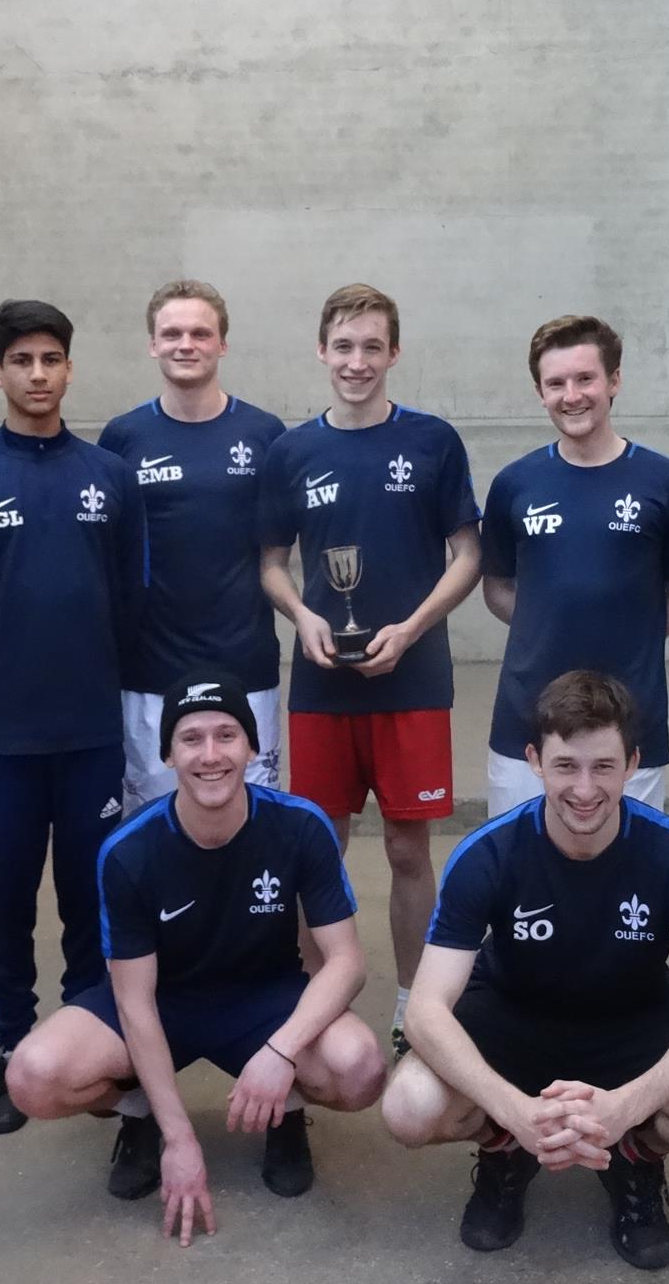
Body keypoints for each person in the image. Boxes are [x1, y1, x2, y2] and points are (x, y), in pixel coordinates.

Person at [380, 670, 669, 1271]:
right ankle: (507, 1151)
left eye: (603, 766)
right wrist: (515, 1113)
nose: (584, 789)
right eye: (565, 766)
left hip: (631, 1021)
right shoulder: (486, 853)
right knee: (407, 1106)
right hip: (511, 1018)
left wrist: (625, 1109)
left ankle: (634, 1156)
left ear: (633, 763)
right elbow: (426, 1009)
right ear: (534, 760)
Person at [4, 672, 386, 1243]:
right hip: (165, 1002)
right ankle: (142, 1117)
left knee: (361, 1069)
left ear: (252, 748)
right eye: (191, 739)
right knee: (33, 1077)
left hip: (266, 1001)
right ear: (166, 754)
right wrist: (180, 1137)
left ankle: (281, 1112)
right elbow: (134, 1002)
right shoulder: (128, 851)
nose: (211, 755)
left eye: (227, 735)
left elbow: (346, 962)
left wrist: (280, 1053)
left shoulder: (300, 826)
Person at [0, 299, 145, 1134]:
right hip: (2, 741)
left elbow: (131, 596)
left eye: (52, 359)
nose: (38, 374)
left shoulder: (108, 478)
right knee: (7, 899)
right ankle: (12, 1044)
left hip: (89, 735)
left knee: (90, 898)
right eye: (22, 361)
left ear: (70, 369)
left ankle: (89, 1043)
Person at [258, 282, 482, 1055]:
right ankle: (319, 1013)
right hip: (321, 683)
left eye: (372, 347)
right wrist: (305, 615)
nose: (358, 361)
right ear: (323, 351)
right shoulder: (291, 451)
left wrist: (414, 627)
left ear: (394, 353)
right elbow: (272, 564)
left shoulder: (433, 442)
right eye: (344, 346)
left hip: (413, 683)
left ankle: (416, 1009)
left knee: (407, 850)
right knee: (317, 850)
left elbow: (470, 555)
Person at [480, 315, 669, 818]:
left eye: (586, 378)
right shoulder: (514, 484)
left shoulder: (666, 483)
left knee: (625, 877)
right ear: (540, 391)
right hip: (525, 718)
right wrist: (548, 628)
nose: (572, 395)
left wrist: (630, 637)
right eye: (555, 383)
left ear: (615, 380)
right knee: (517, 873)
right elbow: (496, 588)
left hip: (631, 720)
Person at [98, 280, 288, 810]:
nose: (187, 344)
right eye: (172, 333)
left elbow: (281, 551)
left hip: (245, 667)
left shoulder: (264, 433)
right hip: (149, 675)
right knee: (155, 832)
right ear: (152, 344)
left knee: (250, 826)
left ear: (222, 344)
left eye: (201, 333)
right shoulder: (122, 437)